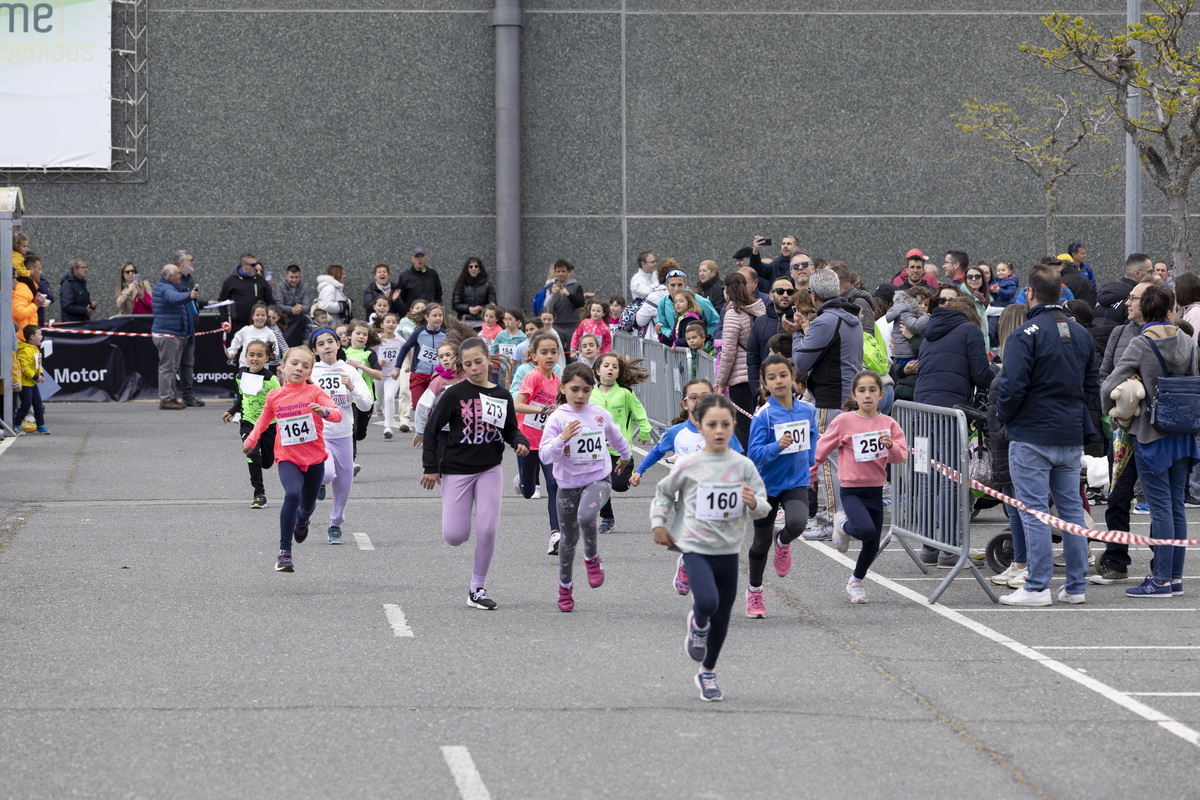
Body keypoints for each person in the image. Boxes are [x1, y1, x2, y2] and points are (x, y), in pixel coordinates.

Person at [650, 393, 769, 702]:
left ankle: (707, 672)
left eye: (725, 424)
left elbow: (763, 507)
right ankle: (697, 622)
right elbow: (663, 493)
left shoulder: (742, 466)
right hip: (696, 547)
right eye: (712, 424)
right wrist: (659, 524)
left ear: (733, 427)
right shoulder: (690, 464)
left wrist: (754, 502)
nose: (719, 430)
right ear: (699, 427)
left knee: (724, 616)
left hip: (728, 551)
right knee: (707, 602)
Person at [995, 262, 1098, 606]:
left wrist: (1005, 417)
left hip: (1032, 433)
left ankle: (1037, 585)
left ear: (1030, 294)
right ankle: (1074, 586)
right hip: (1069, 434)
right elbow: (1090, 387)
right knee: (1069, 510)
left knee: (1035, 511)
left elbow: (1010, 388)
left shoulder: (1025, 334)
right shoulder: (1081, 333)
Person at [1101, 283, 1199, 598]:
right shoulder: (1188, 341)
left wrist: (1113, 412)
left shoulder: (1142, 343)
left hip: (1151, 434)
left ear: (1144, 310)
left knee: (1159, 508)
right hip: (1183, 433)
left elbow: (1109, 386)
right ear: (1171, 310)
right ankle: (1174, 577)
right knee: (1175, 508)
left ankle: (1160, 580)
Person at [421, 337, 530, 610]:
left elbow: (509, 429)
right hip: (456, 470)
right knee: (455, 536)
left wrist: (520, 441)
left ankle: (477, 589)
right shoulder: (454, 394)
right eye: (467, 364)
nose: (473, 368)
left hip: (489, 469)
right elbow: (432, 430)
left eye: (478, 362)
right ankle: (458, 519)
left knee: (488, 529)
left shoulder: (501, 395)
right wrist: (431, 468)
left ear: (488, 360)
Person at [540, 363, 632, 612]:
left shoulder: (599, 413)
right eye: (574, 389)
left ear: (592, 389)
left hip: (598, 479)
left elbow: (616, 437)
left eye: (586, 390)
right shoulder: (558, 417)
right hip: (568, 484)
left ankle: (592, 558)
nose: (580, 395)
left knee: (587, 515)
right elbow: (545, 455)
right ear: (563, 388)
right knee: (568, 540)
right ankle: (565, 589)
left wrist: (626, 457)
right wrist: (562, 438)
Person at [243, 346, 342, 573]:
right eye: (294, 364)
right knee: (292, 495)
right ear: (283, 367)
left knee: (307, 507)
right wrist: (251, 440)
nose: (299, 368)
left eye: (305, 366)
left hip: (315, 459)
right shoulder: (275, 395)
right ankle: (284, 553)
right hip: (287, 458)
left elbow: (336, 413)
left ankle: (303, 521)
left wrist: (325, 413)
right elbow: (263, 420)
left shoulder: (315, 392)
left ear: (310, 373)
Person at [815, 370, 908, 602]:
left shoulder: (889, 423)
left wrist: (890, 447)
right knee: (866, 530)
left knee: (872, 543)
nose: (867, 395)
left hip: (875, 490)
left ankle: (856, 581)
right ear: (854, 395)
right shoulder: (844, 421)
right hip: (852, 490)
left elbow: (901, 456)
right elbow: (822, 447)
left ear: (882, 395)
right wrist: (808, 472)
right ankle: (842, 524)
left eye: (872, 390)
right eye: (862, 391)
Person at [792, 269, 864, 540]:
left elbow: (800, 362)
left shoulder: (827, 320)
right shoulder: (851, 316)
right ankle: (846, 515)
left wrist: (800, 334)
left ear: (813, 294)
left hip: (831, 400)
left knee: (829, 462)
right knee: (846, 462)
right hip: (848, 399)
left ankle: (836, 520)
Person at [745, 355, 817, 617]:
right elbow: (753, 455)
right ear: (764, 383)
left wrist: (812, 467)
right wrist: (777, 447)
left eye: (783, 375)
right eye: (772, 377)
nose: (779, 381)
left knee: (798, 524)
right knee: (760, 544)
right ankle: (754, 591)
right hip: (765, 486)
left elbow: (811, 439)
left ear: (793, 377)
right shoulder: (763, 415)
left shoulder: (807, 410)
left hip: (796, 481)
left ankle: (783, 540)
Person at [310, 328, 375, 544]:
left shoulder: (349, 370)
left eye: (331, 341)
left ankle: (335, 525)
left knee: (344, 486)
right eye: (321, 344)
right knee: (327, 474)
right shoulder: (311, 373)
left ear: (339, 344)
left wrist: (352, 387)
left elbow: (366, 404)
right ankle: (318, 482)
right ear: (315, 350)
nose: (327, 346)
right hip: (320, 435)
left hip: (345, 436)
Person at [629, 377, 746, 486]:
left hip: (715, 499)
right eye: (693, 397)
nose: (700, 401)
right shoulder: (676, 432)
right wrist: (639, 471)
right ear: (684, 404)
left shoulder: (722, 432)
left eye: (705, 396)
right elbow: (657, 452)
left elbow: (739, 459)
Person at [987, 305, 1031, 589]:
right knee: (1013, 508)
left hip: (1008, 441)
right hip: (1003, 442)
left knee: (1020, 508)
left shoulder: (1015, 363)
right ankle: (1019, 562)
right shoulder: (1010, 361)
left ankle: (1025, 564)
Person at [513, 332, 565, 554]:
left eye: (554, 352)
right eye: (544, 352)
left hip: (548, 443)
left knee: (554, 484)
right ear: (534, 357)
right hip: (527, 441)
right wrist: (542, 409)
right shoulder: (532, 377)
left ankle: (556, 534)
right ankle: (521, 479)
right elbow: (517, 404)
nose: (550, 356)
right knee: (527, 491)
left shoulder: (558, 381)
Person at [591, 351, 652, 533]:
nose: (610, 369)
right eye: (606, 366)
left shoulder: (625, 394)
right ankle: (607, 517)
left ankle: (627, 471)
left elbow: (639, 412)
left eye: (615, 367)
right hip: (597, 450)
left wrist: (645, 430)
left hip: (620, 450)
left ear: (618, 373)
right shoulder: (590, 395)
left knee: (619, 485)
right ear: (597, 371)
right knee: (600, 484)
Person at [222, 339, 280, 508]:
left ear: (266, 358)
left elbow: (281, 401)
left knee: (267, 462)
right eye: (252, 355)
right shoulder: (241, 376)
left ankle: (258, 460)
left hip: (269, 425)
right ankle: (259, 494)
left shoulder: (272, 380)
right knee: (252, 454)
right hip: (248, 422)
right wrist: (232, 411)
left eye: (260, 355)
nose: (255, 358)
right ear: (246, 356)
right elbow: (242, 396)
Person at [713, 272, 766, 449]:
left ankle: (746, 469)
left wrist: (720, 382)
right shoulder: (759, 309)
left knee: (744, 427)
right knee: (761, 424)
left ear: (727, 290)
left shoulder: (732, 314)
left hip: (740, 379)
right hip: (761, 375)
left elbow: (728, 353)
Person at [151, 264, 199, 411]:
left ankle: (171, 398)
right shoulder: (166, 288)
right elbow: (173, 298)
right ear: (170, 276)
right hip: (168, 335)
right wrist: (188, 296)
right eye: (178, 273)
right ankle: (166, 399)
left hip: (174, 334)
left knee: (172, 368)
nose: (180, 275)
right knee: (167, 368)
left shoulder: (169, 286)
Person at [747, 277, 801, 399]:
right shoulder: (760, 322)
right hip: (766, 389)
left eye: (790, 292)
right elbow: (752, 358)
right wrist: (757, 393)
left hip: (793, 388)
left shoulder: (798, 320)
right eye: (780, 291)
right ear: (771, 296)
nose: (785, 295)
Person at [395, 302, 448, 408]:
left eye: (440, 315)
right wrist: (397, 367)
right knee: (417, 405)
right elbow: (405, 348)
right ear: (426, 317)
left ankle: (428, 425)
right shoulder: (419, 333)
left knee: (432, 406)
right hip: (418, 375)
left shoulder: (446, 335)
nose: (438, 318)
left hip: (437, 376)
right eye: (434, 315)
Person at [173, 250, 204, 407]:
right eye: (190, 260)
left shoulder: (189, 280)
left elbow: (192, 302)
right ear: (181, 262)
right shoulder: (175, 280)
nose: (193, 263)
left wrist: (205, 303)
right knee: (175, 364)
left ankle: (188, 396)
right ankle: (171, 397)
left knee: (188, 364)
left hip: (190, 328)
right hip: (179, 328)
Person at [656, 268, 720, 340]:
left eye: (680, 285)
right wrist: (672, 335)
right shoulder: (663, 302)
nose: (676, 289)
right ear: (667, 286)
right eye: (673, 285)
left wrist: (703, 338)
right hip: (675, 348)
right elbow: (662, 325)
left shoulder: (700, 301)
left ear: (685, 285)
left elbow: (716, 323)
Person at [218, 254, 274, 333]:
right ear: (244, 265)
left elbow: (269, 300)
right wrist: (224, 320)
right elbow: (222, 301)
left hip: (258, 323)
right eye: (253, 265)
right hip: (238, 324)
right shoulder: (231, 281)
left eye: (256, 264)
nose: (256, 267)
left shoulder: (260, 280)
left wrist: (271, 318)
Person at [1096, 253, 1151, 326]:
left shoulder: (1106, 291)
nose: (1152, 275)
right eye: (1149, 271)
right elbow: (1132, 331)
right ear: (1137, 273)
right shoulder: (1135, 299)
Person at [375, 312, 406, 439]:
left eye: (393, 322)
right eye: (388, 322)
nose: (391, 324)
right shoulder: (376, 339)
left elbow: (408, 349)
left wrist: (408, 364)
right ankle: (378, 409)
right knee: (378, 401)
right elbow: (369, 353)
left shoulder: (399, 340)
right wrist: (376, 363)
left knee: (389, 398)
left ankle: (387, 427)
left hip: (393, 375)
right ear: (382, 324)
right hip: (378, 375)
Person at [543, 259, 586, 349]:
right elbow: (547, 307)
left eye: (563, 271)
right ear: (554, 273)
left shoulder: (576, 286)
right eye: (558, 271)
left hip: (573, 325)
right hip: (556, 325)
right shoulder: (550, 287)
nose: (561, 274)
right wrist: (553, 295)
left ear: (568, 272)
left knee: (573, 353)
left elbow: (581, 304)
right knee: (557, 352)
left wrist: (569, 295)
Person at [13, 325, 48, 435]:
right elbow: (25, 366)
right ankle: (16, 424)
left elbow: (38, 365)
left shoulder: (35, 349)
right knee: (26, 404)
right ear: (32, 337)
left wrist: (40, 373)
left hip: (32, 383)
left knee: (38, 404)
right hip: (25, 383)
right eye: (39, 335)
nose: (41, 337)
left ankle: (41, 425)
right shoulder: (25, 350)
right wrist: (35, 376)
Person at [226, 302, 277, 368]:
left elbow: (275, 351)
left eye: (263, 315)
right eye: (257, 315)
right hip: (245, 366)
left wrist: (267, 359)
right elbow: (236, 340)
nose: (260, 317)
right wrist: (232, 352)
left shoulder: (270, 333)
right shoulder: (245, 330)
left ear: (267, 317)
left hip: (262, 368)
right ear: (252, 317)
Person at [396, 248, 443, 315]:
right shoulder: (405, 276)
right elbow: (401, 297)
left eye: (422, 256)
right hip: (413, 315)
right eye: (417, 257)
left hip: (430, 314)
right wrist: (406, 313)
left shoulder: (433, 274)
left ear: (425, 258)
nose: (419, 259)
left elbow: (438, 294)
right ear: (412, 259)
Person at [12, 257, 48, 341]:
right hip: (23, 339)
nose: (41, 272)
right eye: (39, 269)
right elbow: (18, 313)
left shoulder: (28, 288)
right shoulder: (22, 288)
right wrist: (36, 305)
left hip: (27, 338)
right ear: (31, 270)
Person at [451, 257, 496, 323]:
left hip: (483, 321)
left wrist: (481, 308)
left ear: (479, 268)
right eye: (471, 266)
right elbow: (455, 305)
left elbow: (493, 304)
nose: (473, 268)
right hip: (465, 321)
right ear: (467, 269)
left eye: (476, 266)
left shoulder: (487, 285)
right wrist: (469, 309)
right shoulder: (460, 285)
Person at [276, 265, 312, 345]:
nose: (294, 280)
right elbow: (278, 305)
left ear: (300, 276)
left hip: (300, 320)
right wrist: (291, 309)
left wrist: (301, 308)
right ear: (286, 276)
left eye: (297, 277)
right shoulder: (280, 286)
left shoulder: (305, 286)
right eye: (291, 277)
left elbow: (308, 305)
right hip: (284, 319)